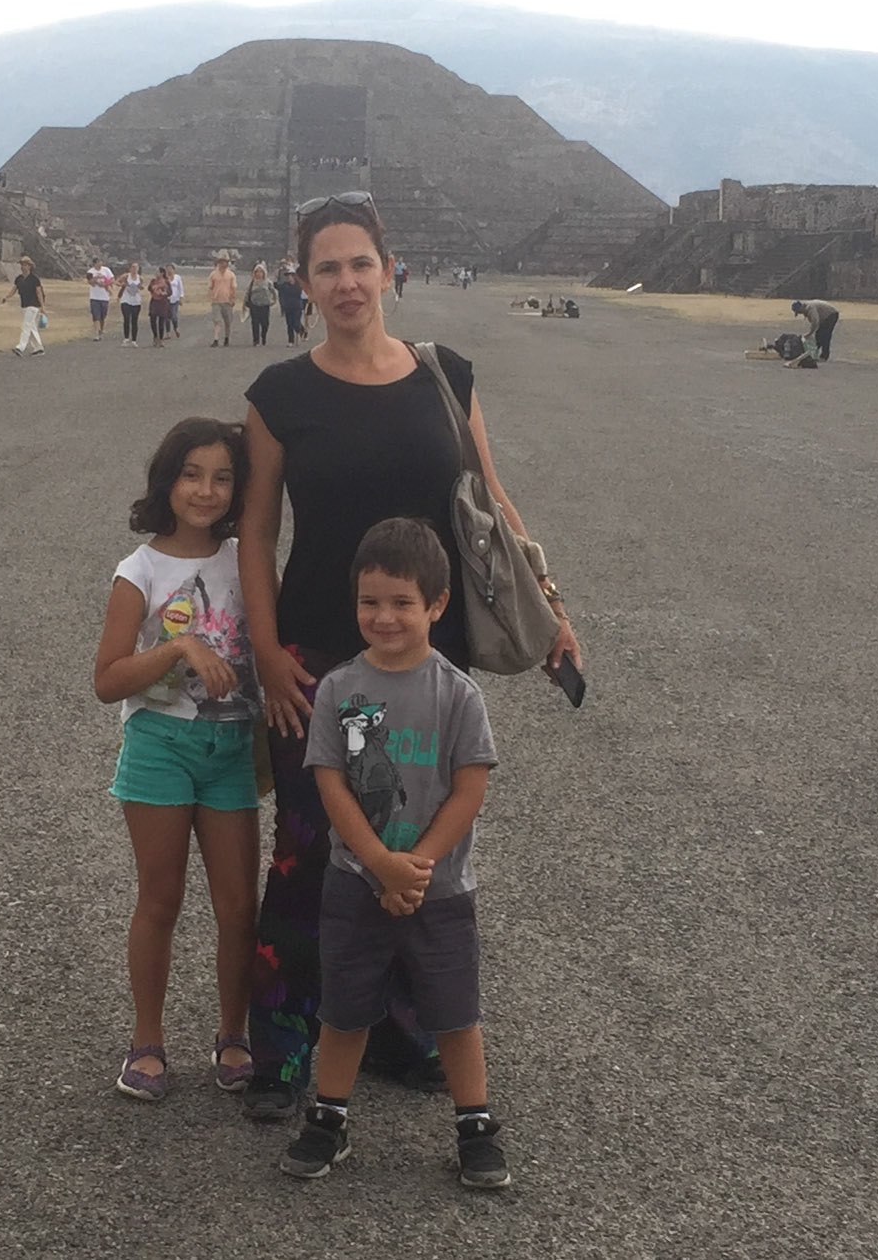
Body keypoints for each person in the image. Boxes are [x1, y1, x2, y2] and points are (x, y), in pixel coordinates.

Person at [237, 188, 581, 1120]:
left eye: (360, 263)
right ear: (302, 282)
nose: (346, 282)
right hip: (320, 657)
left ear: (388, 270)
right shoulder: (279, 396)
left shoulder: (444, 375)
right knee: (310, 847)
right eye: (327, 268)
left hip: (430, 659)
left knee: (415, 845)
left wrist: (550, 606)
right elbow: (256, 531)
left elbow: (491, 502)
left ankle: (397, 1029)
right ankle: (283, 1049)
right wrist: (265, 649)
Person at [278, 518, 509, 1189]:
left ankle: (474, 1124)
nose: (384, 617)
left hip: (440, 890)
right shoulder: (338, 689)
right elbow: (330, 783)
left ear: (437, 605)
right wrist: (378, 862)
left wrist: (416, 866)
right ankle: (329, 1117)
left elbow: (469, 788)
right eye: (369, 601)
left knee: (455, 1013)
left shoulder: (458, 694)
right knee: (343, 1009)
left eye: (402, 602)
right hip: (355, 882)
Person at [92, 417, 265, 1102]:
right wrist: (177, 648)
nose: (206, 491)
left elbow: (275, 642)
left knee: (239, 906)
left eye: (222, 478)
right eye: (192, 474)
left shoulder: (246, 559)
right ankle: (146, 1041)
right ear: (167, 480)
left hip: (230, 751)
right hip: (159, 748)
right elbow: (108, 680)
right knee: (160, 899)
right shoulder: (139, 570)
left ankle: (234, 1033)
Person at [0, 255, 46, 356]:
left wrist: (42, 306)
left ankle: (20, 347)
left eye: (25, 265)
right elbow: (14, 289)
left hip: (33, 305)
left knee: (26, 326)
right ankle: (39, 348)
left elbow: (39, 292)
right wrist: (7, 297)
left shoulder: (34, 279)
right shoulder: (19, 278)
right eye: (21, 265)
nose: (22, 267)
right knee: (32, 327)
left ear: (29, 266)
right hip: (24, 305)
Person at [790, 298, 840, 366]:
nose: (800, 313)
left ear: (801, 308)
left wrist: (809, 333)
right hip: (825, 317)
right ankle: (814, 354)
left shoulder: (810, 308)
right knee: (819, 335)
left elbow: (815, 322)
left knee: (825, 335)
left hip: (831, 314)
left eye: (799, 312)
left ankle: (824, 356)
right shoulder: (806, 308)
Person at [208, 255, 238, 347]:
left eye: (225, 262)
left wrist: (233, 299)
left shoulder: (231, 275)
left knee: (227, 321)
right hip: (216, 301)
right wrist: (211, 298)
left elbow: (233, 288)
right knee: (217, 320)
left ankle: (226, 338)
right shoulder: (213, 274)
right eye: (221, 262)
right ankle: (216, 339)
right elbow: (210, 287)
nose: (223, 264)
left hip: (227, 301)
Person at [245, 263, 277, 346]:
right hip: (254, 305)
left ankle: (263, 336)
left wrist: (274, 300)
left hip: (265, 305)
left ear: (264, 273)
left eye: (260, 272)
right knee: (255, 323)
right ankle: (256, 340)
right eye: (257, 272)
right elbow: (248, 292)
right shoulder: (252, 282)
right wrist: (245, 302)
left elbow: (273, 291)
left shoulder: (268, 282)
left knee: (265, 323)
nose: (259, 274)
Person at [87, 258, 115, 342]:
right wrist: (97, 278)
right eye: (98, 262)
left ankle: (101, 331)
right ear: (94, 264)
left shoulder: (106, 270)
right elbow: (90, 282)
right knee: (96, 316)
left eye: (101, 262)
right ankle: (96, 333)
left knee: (103, 316)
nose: (100, 264)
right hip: (94, 297)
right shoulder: (90, 272)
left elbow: (112, 279)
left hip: (104, 297)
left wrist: (106, 284)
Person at [276, 266, 306, 344]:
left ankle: (301, 331)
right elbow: (277, 286)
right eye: (288, 276)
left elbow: (298, 293)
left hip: (297, 307)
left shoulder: (299, 285)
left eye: (290, 275)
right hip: (288, 307)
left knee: (296, 322)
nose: (289, 277)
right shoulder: (284, 285)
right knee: (289, 324)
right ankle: (291, 341)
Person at [118, 262, 144, 348]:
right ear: (130, 268)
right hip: (126, 299)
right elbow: (116, 282)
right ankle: (126, 338)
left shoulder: (140, 278)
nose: (134, 269)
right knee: (126, 318)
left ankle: (134, 340)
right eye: (133, 267)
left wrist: (140, 287)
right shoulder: (126, 276)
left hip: (136, 301)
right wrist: (122, 284)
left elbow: (141, 286)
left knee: (134, 320)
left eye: (136, 267)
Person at [148, 265, 174, 348]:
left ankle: (161, 339)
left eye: (157, 272)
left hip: (163, 303)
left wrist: (164, 293)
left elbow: (170, 292)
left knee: (161, 322)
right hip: (154, 302)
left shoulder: (166, 282)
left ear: (162, 273)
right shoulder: (153, 281)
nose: (156, 273)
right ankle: (155, 336)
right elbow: (149, 289)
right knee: (152, 320)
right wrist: (154, 290)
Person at [168, 264, 185, 337]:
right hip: (166, 300)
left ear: (173, 270)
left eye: (170, 269)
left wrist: (181, 297)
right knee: (166, 317)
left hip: (175, 300)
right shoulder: (165, 278)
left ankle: (176, 328)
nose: (169, 270)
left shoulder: (177, 277)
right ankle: (168, 333)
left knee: (174, 316)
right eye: (167, 269)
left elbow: (180, 288)